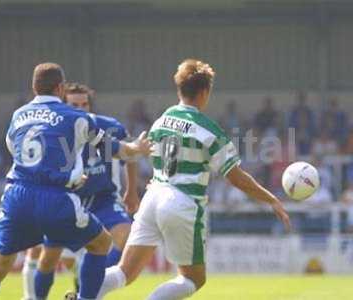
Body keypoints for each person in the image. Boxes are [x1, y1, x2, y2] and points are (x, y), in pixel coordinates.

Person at [96, 59, 290, 300]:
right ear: (205, 92)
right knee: (193, 278)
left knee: (125, 271)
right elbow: (236, 177)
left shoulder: (162, 120)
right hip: (182, 201)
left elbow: (147, 155)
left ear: (179, 89)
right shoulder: (208, 129)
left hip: (153, 197)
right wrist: (271, 199)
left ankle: (85, 293)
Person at [0, 62, 152, 300]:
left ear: (34, 87)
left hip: (16, 194)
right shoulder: (75, 118)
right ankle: (84, 298)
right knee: (100, 243)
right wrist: (136, 148)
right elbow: (115, 149)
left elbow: (15, 151)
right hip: (54, 196)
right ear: (60, 88)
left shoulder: (18, 116)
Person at [22, 82, 140, 299]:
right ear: (64, 104)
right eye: (74, 104)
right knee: (49, 257)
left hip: (103, 200)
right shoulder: (55, 131)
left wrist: (132, 191)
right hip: (68, 199)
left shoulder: (110, 127)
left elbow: (131, 153)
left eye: (84, 104)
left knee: (126, 234)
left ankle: (88, 291)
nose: (80, 109)